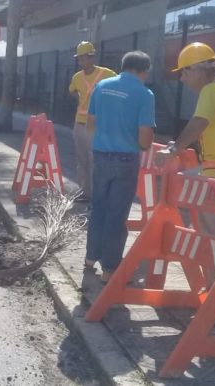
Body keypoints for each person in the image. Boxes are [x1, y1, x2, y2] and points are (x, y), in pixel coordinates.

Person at [158, 42, 215, 241]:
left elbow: (199, 122)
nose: (182, 79)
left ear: (197, 70)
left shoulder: (211, 91)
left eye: (184, 72)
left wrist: (174, 148)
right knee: (179, 183)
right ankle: (197, 249)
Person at [84, 51, 155, 283]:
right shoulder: (145, 94)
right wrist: (142, 146)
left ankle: (90, 259)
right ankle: (110, 270)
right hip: (126, 160)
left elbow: (91, 123)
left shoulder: (101, 86)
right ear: (143, 70)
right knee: (116, 214)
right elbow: (145, 137)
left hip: (101, 156)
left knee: (99, 209)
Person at [68, 41, 116, 201]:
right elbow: (72, 91)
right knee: (82, 159)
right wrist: (83, 102)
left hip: (97, 124)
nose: (81, 62)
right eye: (79, 59)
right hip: (80, 123)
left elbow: (117, 89)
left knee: (95, 159)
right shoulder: (77, 77)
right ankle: (85, 192)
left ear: (92, 57)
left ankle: (98, 194)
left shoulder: (107, 74)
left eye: (84, 58)